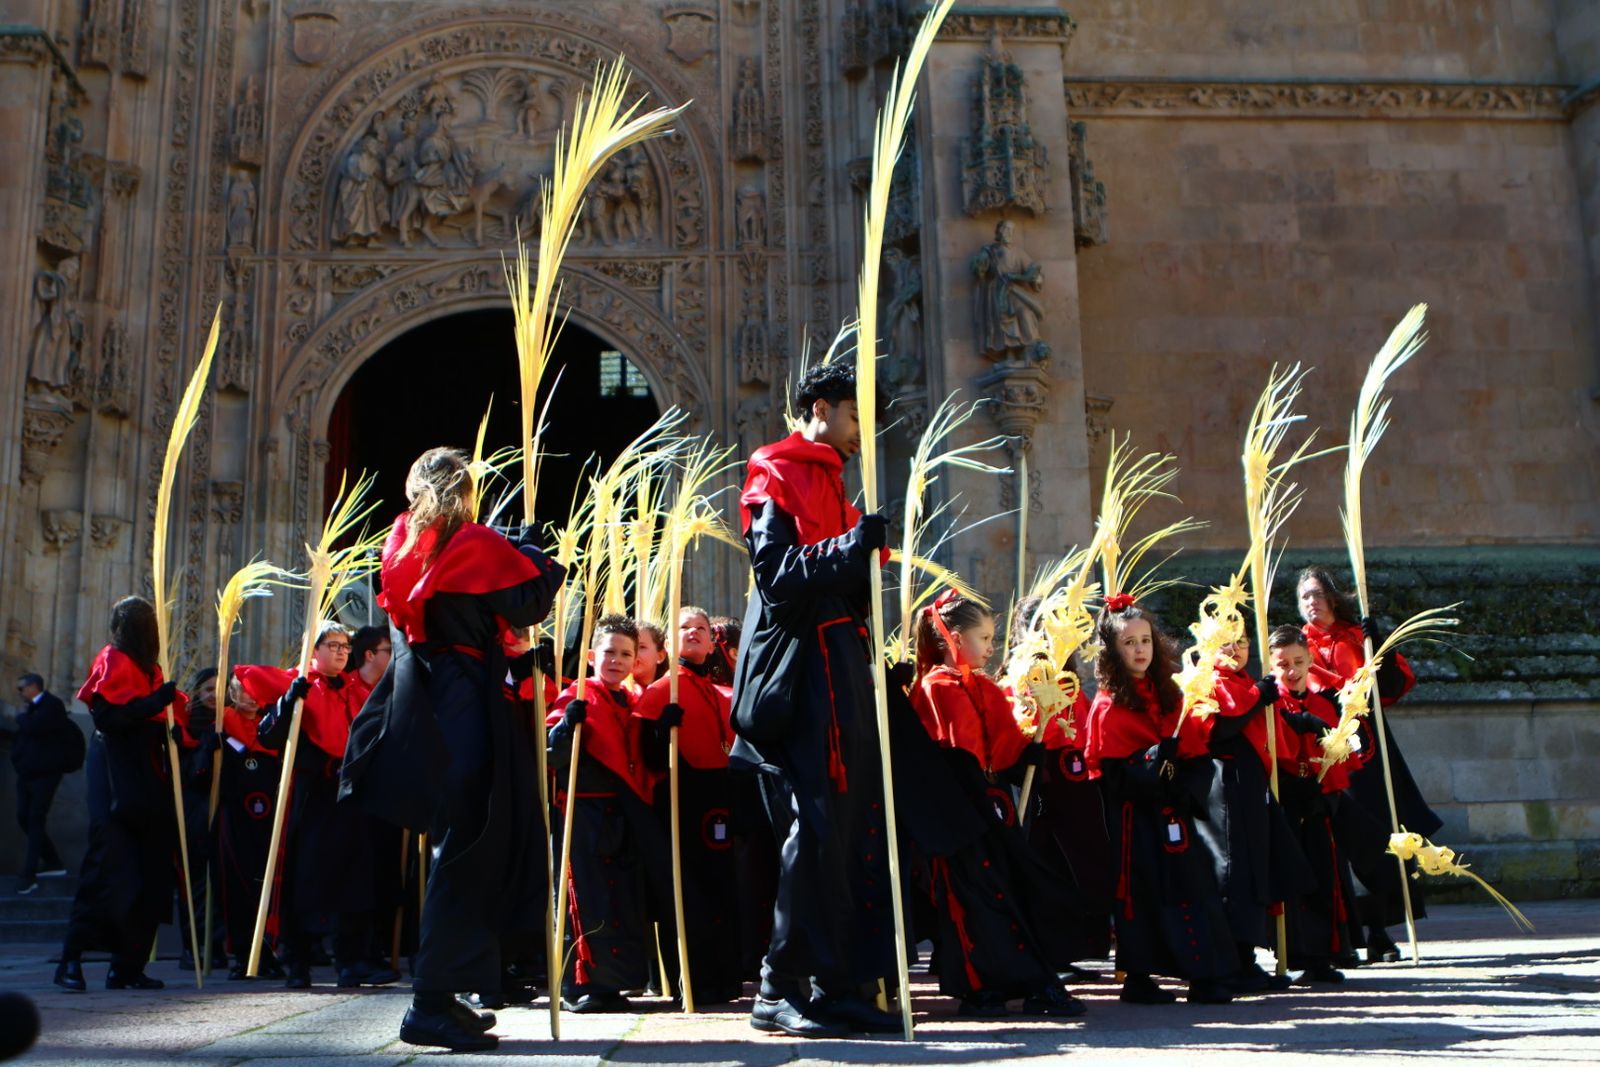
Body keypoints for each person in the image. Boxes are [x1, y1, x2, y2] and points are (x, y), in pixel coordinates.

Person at [342, 446, 562, 1052]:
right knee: (466, 845)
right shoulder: (470, 541)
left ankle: (445, 994)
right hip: (462, 698)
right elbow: (529, 601)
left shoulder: (402, 542)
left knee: (456, 845)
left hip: (425, 693)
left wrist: (513, 552)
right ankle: (431, 1000)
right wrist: (534, 551)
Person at [729, 359, 899, 1039]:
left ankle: (837, 981)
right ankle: (778, 986)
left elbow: (842, 582)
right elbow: (775, 577)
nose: (863, 432)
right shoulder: (775, 471)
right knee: (814, 826)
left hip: (842, 667)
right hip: (798, 676)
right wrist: (850, 548)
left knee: (848, 829)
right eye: (856, 415)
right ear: (822, 407)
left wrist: (867, 557)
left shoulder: (837, 483)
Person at [905, 591, 1086, 1018]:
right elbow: (944, 758)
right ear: (954, 638)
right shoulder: (935, 688)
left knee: (1013, 892)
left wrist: (1027, 753)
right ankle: (978, 985)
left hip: (994, 805)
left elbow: (1001, 749)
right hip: (962, 815)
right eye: (983, 637)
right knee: (972, 902)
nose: (990, 646)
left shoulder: (984, 686)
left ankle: (1027, 979)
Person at [1082, 595, 1237, 1005]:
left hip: (1174, 809)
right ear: (1114, 650)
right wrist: (1150, 761)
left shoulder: (1170, 694)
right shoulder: (1108, 705)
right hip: (1136, 817)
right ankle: (1139, 975)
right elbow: (1111, 774)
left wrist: (1181, 775)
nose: (1139, 650)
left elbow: (1196, 755)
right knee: (1143, 892)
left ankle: (1204, 971)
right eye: (1129, 642)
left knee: (1193, 883)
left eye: (1145, 641)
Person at [1297, 566, 1442, 963]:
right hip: (1327, 752)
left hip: (1372, 754)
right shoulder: (1297, 645)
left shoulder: (1353, 637)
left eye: (1317, 594)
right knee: (1340, 845)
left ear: (1332, 598)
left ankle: (1381, 931)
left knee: (1382, 838)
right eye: (1304, 596)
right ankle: (1343, 936)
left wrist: (1381, 645)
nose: (1311, 602)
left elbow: (1392, 688)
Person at [256, 622, 397, 991]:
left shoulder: (356, 691)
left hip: (349, 798)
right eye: (332, 645)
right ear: (314, 650)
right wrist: (289, 701)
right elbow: (268, 735)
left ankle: (349, 961)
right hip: (312, 797)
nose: (340, 652)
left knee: (353, 880)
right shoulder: (299, 686)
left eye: (345, 646)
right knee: (305, 880)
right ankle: (297, 961)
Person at [55, 596, 186, 992]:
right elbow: (108, 716)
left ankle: (127, 965)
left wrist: (171, 727)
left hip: (148, 773)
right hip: (116, 772)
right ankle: (70, 960)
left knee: (150, 871)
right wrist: (153, 703)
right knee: (110, 867)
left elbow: (153, 721)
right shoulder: (113, 659)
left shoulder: (152, 670)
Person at [547, 614, 673, 1014]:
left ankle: (615, 982)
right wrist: (567, 727)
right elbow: (551, 754)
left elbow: (645, 758)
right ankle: (580, 986)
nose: (616, 660)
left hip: (623, 812)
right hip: (584, 812)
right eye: (609, 652)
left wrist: (661, 731)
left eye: (625, 653)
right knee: (585, 898)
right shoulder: (577, 696)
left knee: (621, 898)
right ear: (590, 656)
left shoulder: (636, 700)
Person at [634, 605, 745, 1004]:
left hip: (717, 789)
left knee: (720, 885)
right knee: (687, 889)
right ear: (672, 639)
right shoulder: (663, 690)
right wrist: (662, 731)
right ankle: (693, 981)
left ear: (713, 640)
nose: (694, 633)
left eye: (700, 627)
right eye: (685, 628)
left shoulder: (714, 691)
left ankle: (723, 975)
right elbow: (647, 756)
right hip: (682, 793)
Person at [1199, 634, 1312, 993]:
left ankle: (1247, 956)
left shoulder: (1247, 682)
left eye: (1242, 642)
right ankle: (1234, 960)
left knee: (1256, 869)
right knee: (1236, 871)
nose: (1235, 650)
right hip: (1226, 786)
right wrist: (1256, 699)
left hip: (1251, 784)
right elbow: (1217, 731)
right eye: (1226, 643)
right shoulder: (1208, 682)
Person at [1009, 599, 1111, 978]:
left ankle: (1073, 948)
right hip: (1042, 786)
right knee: (1047, 867)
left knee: (1079, 868)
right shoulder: (1022, 677)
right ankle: (1046, 953)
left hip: (1075, 789)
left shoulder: (1071, 680)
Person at [1268, 625, 1365, 983]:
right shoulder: (1271, 703)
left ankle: (1322, 954)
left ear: (1309, 660)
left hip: (1319, 803)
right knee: (1292, 881)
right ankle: (1292, 951)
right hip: (1287, 802)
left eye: (1298, 662)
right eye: (1283, 664)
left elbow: (1344, 752)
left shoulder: (1323, 702)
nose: (1291, 671)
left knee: (1325, 878)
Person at [218, 668, 286, 980]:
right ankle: (242, 951)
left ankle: (269, 949)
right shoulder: (222, 724)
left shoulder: (273, 723)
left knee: (270, 883)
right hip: (237, 815)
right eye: (240, 690)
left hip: (270, 814)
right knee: (239, 882)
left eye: (251, 690)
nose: (247, 697)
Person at [11, 673, 76, 894]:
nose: (19, 693)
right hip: (27, 773)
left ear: (34, 687)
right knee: (23, 816)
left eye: (22, 689)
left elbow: (34, 728)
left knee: (35, 819)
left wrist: (21, 718)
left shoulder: (52, 705)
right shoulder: (31, 710)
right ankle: (53, 861)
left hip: (46, 774)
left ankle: (28, 876)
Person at [631, 621, 668, 690]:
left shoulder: (670, 692)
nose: (633, 653)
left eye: (642, 647)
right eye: (628, 647)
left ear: (660, 656)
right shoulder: (617, 691)